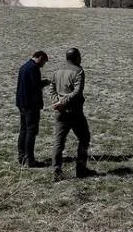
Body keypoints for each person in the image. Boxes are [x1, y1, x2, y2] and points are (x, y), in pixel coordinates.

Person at [49, 47, 96, 181]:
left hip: (60, 112)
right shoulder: (78, 71)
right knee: (84, 138)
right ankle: (81, 169)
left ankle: (56, 171)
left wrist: (57, 102)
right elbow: (77, 92)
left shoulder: (57, 71)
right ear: (76, 58)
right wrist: (64, 102)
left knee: (58, 142)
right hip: (75, 112)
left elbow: (52, 89)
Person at [15, 51, 49, 167]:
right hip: (31, 105)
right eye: (43, 61)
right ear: (39, 57)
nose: (43, 65)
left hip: (22, 104)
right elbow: (35, 86)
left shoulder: (24, 67)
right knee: (31, 131)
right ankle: (29, 159)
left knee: (23, 130)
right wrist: (45, 82)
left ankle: (21, 157)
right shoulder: (34, 68)